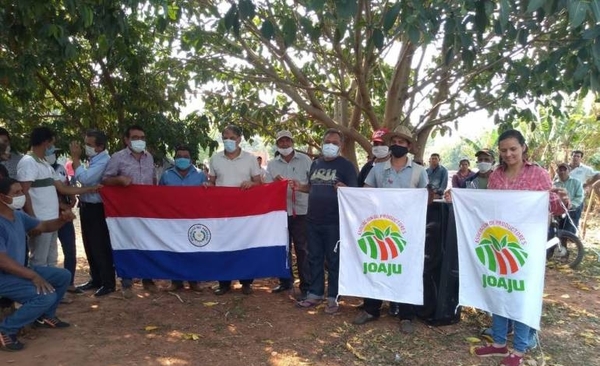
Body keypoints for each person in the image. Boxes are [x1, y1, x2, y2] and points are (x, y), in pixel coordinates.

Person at [473, 129, 570, 366]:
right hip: (500, 241)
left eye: (513, 149)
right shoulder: (495, 176)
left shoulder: (538, 174)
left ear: (523, 148)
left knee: (523, 294)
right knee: (499, 289)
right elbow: (488, 207)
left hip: (528, 246)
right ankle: (498, 343)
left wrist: (563, 200)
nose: (508, 154)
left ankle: (519, 348)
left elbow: (554, 207)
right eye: (504, 150)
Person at [353, 125, 428, 333]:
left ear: (409, 146)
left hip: (407, 231)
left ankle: (406, 315)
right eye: (394, 142)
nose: (397, 145)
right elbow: (366, 194)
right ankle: (371, 309)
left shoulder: (419, 171)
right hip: (381, 227)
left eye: (401, 142)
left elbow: (426, 198)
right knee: (377, 264)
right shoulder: (377, 169)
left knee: (406, 269)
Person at [0, 178, 75, 351]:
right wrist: (32, 275)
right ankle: (6, 329)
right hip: (4, 277)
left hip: (18, 271)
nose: (22, 196)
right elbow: (2, 260)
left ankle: (45, 317)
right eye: (16, 193)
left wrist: (62, 219)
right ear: (2, 197)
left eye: (22, 192)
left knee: (63, 276)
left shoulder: (18, 215)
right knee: (45, 296)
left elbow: (44, 226)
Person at [295, 128, 358, 314]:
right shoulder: (315, 164)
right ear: (322, 143)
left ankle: (333, 297)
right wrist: (300, 187)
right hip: (313, 220)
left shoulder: (346, 166)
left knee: (334, 260)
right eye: (327, 142)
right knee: (314, 258)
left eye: (335, 143)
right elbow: (312, 187)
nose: (330, 145)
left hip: (335, 222)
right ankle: (314, 293)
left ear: (341, 146)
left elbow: (355, 193)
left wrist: (345, 189)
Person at [16, 127, 97, 269]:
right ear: (45, 142)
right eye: (51, 144)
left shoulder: (45, 164)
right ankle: (39, 290)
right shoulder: (28, 162)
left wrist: (90, 189)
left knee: (51, 259)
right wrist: (33, 220)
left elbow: (63, 188)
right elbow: (24, 192)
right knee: (39, 261)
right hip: (40, 220)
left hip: (52, 220)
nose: (52, 148)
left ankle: (50, 289)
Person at [102, 125, 158, 298]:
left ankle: (148, 279)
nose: (139, 140)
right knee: (126, 242)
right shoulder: (117, 158)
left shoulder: (149, 158)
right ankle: (127, 282)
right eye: (135, 137)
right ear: (126, 140)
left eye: (142, 137)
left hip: (146, 210)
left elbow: (154, 182)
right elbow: (105, 179)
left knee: (148, 242)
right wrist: (118, 180)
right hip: (125, 212)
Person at [208, 125, 262, 295]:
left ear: (239, 139)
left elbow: (259, 182)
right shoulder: (215, 159)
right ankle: (224, 283)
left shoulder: (250, 159)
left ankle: (246, 282)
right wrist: (207, 185)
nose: (228, 140)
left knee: (244, 245)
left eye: (232, 137)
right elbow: (212, 181)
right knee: (223, 245)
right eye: (225, 137)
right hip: (221, 212)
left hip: (244, 212)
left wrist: (251, 184)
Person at [265, 130, 312, 299]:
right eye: (281, 141)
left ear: (292, 142)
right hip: (280, 213)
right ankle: (286, 281)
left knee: (302, 249)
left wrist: (300, 187)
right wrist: (276, 185)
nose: (284, 144)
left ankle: (306, 285)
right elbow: (266, 189)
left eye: (287, 141)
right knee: (283, 247)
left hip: (301, 211)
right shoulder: (272, 165)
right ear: (277, 144)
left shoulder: (306, 160)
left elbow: (313, 185)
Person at [71, 129, 116, 297]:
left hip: (98, 208)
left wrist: (75, 160)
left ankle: (108, 282)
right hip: (86, 206)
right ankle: (96, 278)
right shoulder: (93, 160)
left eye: (89, 145)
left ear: (100, 146)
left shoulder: (104, 161)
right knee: (89, 245)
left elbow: (86, 179)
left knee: (100, 245)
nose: (85, 147)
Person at [159, 145, 207, 292]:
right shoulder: (166, 175)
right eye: (179, 156)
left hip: (194, 219)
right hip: (173, 220)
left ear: (191, 159)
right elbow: (158, 196)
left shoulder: (200, 175)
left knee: (194, 249)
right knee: (174, 249)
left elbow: (207, 196)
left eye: (186, 156)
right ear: (175, 158)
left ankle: (194, 281)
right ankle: (176, 281)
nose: (182, 159)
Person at [47, 150, 79, 296]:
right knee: (49, 253)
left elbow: (67, 185)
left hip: (65, 216)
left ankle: (70, 284)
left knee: (70, 249)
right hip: (49, 216)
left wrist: (72, 197)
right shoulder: (38, 168)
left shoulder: (60, 167)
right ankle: (49, 288)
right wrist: (60, 205)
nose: (52, 154)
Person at [553, 162, 584, 234]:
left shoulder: (576, 182)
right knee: (556, 228)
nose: (562, 172)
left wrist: (570, 205)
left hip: (573, 208)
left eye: (565, 169)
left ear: (569, 171)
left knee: (568, 230)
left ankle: (569, 236)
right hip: (559, 209)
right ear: (557, 171)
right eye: (560, 170)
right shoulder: (554, 184)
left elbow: (579, 197)